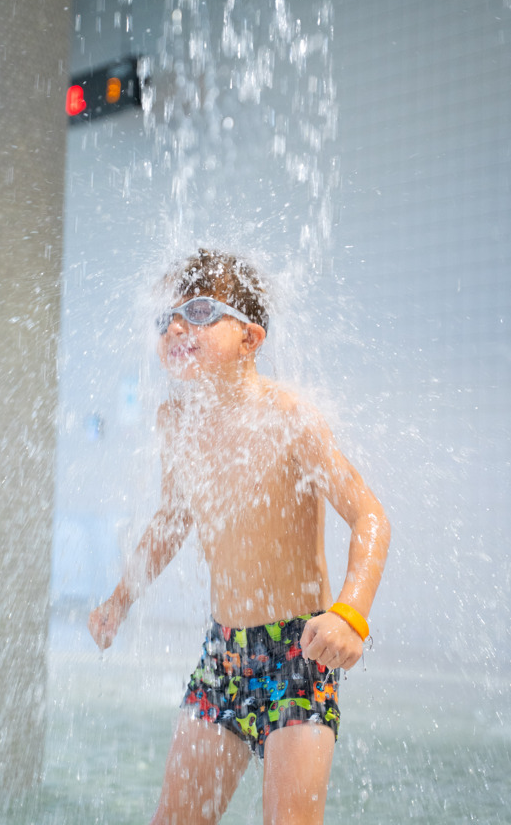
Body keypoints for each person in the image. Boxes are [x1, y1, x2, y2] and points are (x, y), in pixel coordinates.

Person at [88, 249, 390, 824]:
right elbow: (171, 520)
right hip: (223, 657)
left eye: (200, 312)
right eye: (168, 318)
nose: (177, 327)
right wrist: (119, 599)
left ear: (250, 337)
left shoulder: (288, 416)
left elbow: (369, 515)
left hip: (298, 655)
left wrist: (351, 613)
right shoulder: (176, 420)